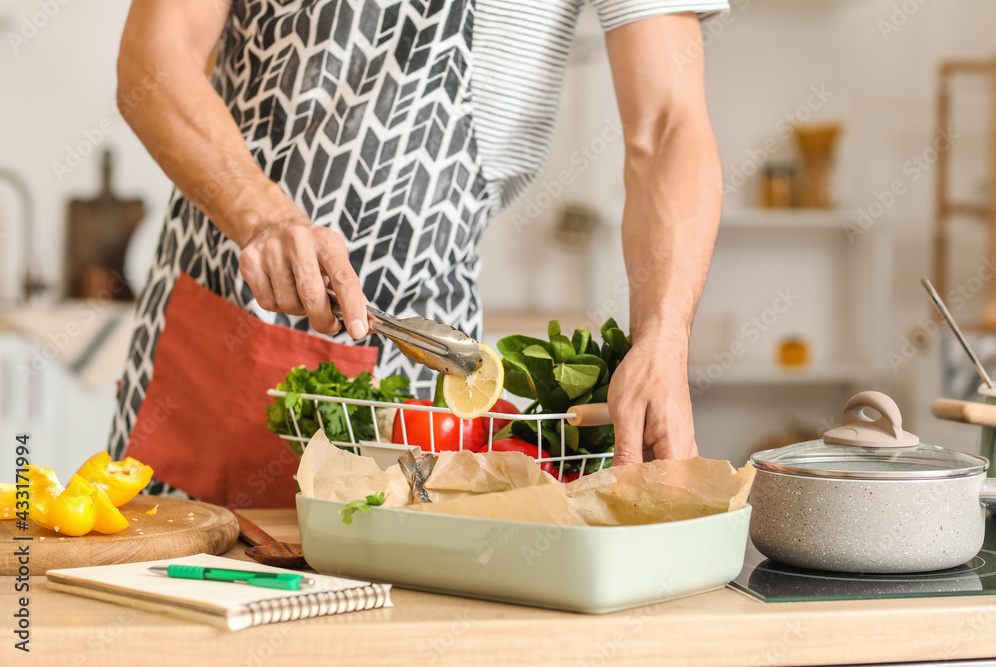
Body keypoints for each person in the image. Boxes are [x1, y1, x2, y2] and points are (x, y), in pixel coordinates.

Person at [111, 0, 726, 497]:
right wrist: (263, 216)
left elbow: (670, 125)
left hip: (428, 361)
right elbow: (154, 60)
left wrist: (663, 337)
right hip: (222, 316)